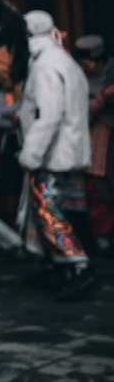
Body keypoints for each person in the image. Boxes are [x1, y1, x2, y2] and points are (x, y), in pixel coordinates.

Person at [20, 12, 98, 301]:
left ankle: (79, 267)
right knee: (65, 210)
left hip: (53, 153)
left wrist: (32, 154)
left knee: (49, 213)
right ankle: (57, 266)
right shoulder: (64, 60)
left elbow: (49, 114)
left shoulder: (45, 67)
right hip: (69, 147)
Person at [75, 35, 114, 256]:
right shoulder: (78, 77)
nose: (85, 68)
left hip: (106, 132)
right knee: (96, 186)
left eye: (88, 63)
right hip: (91, 133)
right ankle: (101, 235)